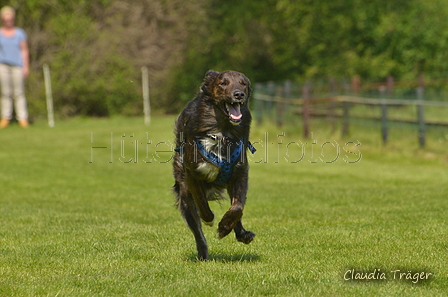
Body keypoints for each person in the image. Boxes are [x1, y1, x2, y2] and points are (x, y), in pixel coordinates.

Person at [0, 6, 29, 128]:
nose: (8, 22)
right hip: (3, 65)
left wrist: (26, 66)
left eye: (10, 19)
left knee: (19, 92)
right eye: (6, 20)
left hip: (17, 65)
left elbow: (24, 50)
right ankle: (6, 117)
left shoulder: (20, 33)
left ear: (13, 19)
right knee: (5, 92)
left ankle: (22, 118)